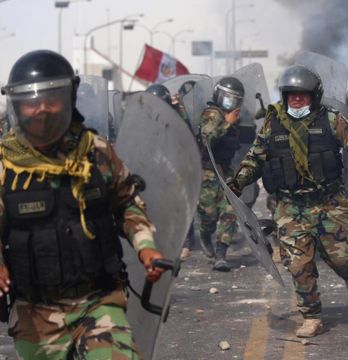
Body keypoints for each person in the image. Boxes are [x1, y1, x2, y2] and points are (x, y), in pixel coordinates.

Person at [0, 49, 166, 359]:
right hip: (36, 311)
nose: (42, 110)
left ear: (69, 98)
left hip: (98, 299)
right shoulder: (6, 165)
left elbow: (128, 202)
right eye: (32, 102)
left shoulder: (96, 153)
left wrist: (146, 246)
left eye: (52, 100)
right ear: (18, 106)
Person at [229, 64, 348, 338]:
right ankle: (312, 316)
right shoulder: (273, 123)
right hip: (290, 206)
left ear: (314, 96)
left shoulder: (332, 120)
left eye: (302, 95)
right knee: (298, 264)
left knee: (341, 257)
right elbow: (255, 158)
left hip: (329, 202)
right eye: (291, 95)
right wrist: (238, 181)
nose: (296, 100)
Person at [145, 84, 197, 261]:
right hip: (153, 169)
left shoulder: (175, 121)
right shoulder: (144, 121)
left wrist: (179, 109)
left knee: (180, 204)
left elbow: (187, 137)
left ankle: (186, 242)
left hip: (174, 167)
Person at [197, 77, 243, 272]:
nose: (230, 104)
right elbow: (208, 139)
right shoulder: (211, 114)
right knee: (209, 214)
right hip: (207, 172)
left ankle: (221, 254)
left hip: (226, 171)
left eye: (234, 100)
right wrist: (227, 123)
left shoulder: (232, 115)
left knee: (230, 210)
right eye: (227, 98)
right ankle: (205, 234)